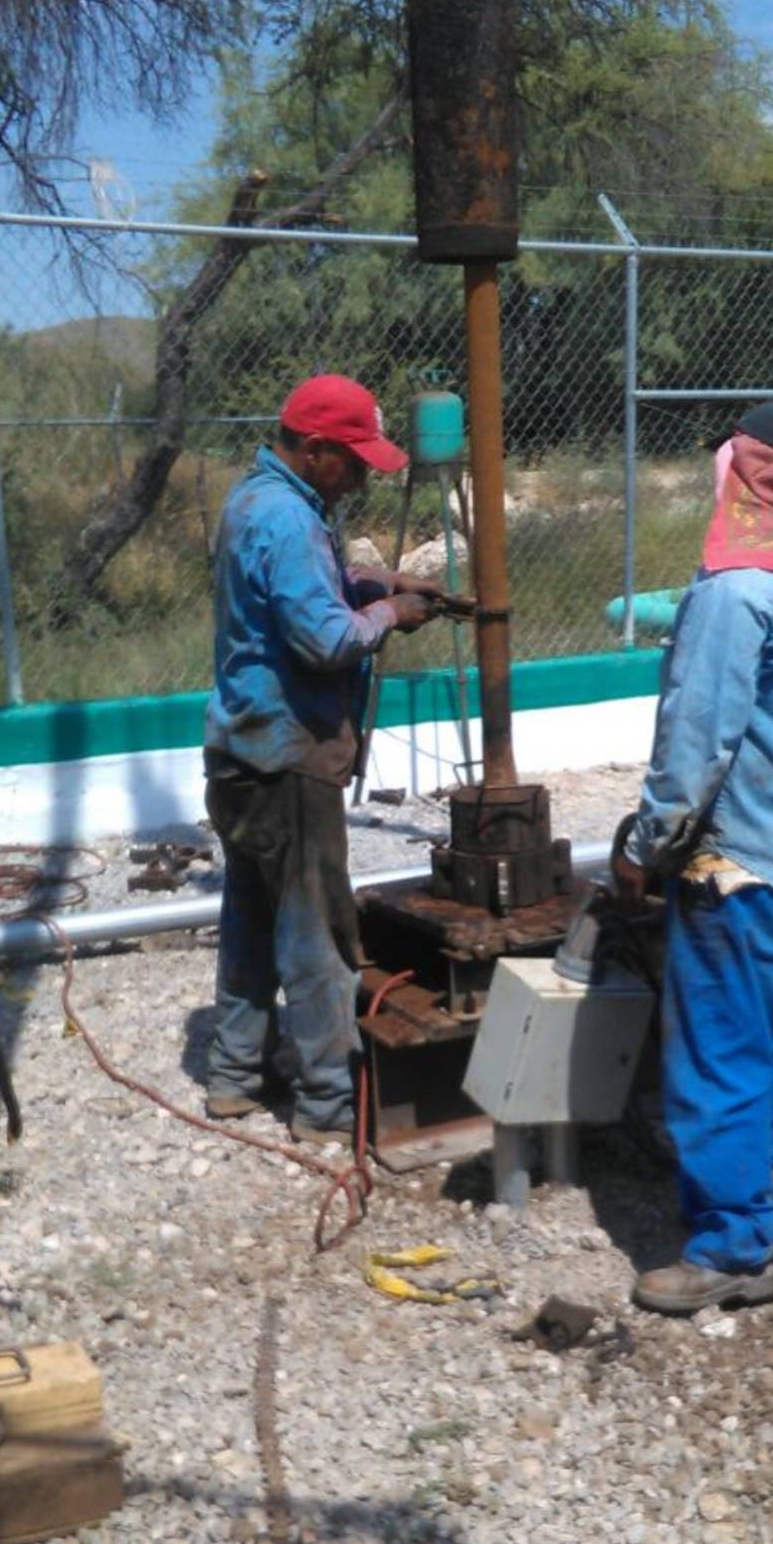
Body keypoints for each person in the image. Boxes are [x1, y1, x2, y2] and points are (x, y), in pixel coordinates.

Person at [613, 394, 773, 1317]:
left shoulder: (736, 588)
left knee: (716, 1055)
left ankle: (733, 1247)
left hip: (735, 864)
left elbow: (695, 742)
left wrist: (648, 846)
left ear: (744, 472)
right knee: (766, 1033)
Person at [203, 373, 441, 1142]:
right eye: (354, 462)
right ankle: (328, 1104)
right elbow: (326, 639)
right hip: (288, 761)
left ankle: (234, 1076)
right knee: (316, 935)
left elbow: (296, 590)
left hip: (239, 754)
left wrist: (377, 580)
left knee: (251, 917)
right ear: (314, 449)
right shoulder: (291, 520)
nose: (362, 478)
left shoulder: (254, 499)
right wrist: (391, 612)